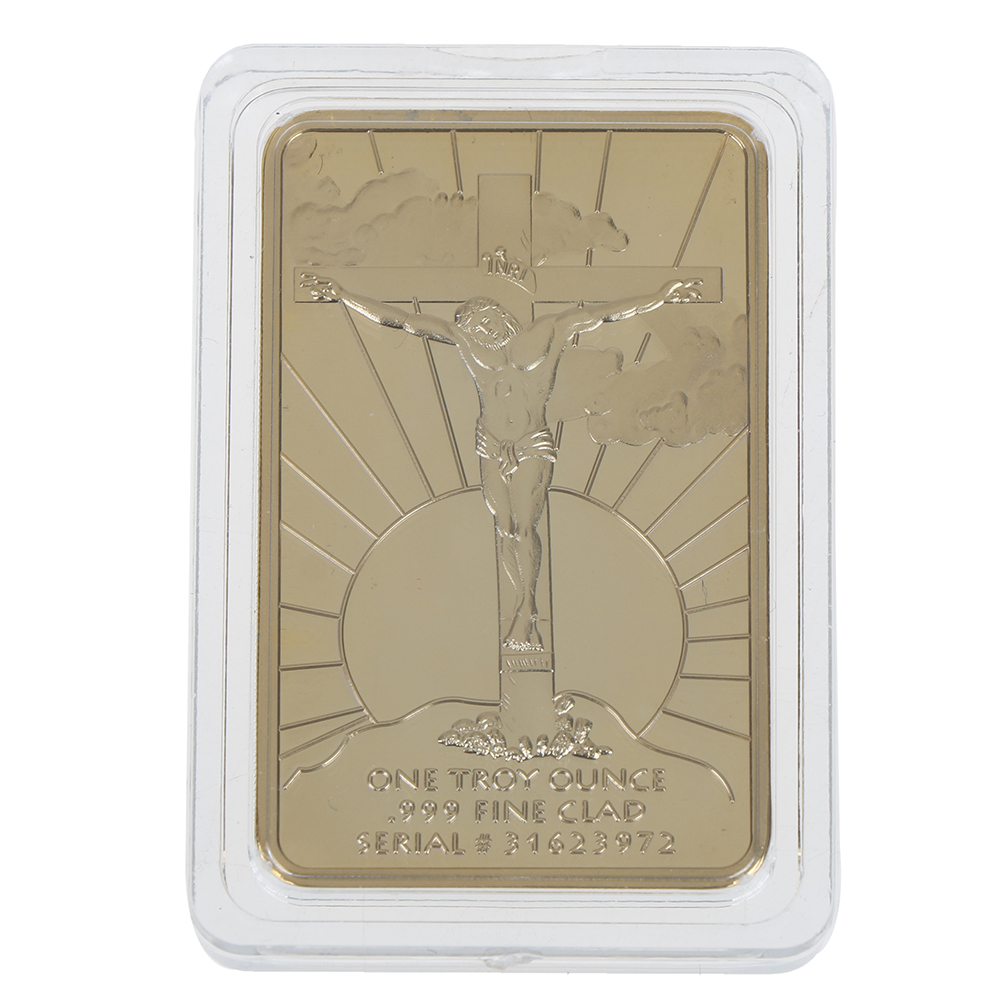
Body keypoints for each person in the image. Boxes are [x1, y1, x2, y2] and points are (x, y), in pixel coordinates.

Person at [301, 274, 701, 652]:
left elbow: (602, 315)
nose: (484, 331)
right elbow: (405, 321)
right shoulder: (468, 345)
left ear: (502, 316)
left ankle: (527, 608)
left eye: (487, 321)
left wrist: (660, 297)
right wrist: (343, 295)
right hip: (490, 446)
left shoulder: (548, 331)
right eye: (476, 328)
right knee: (505, 527)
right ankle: (521, 601)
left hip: (530, 444)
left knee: (525, 525)